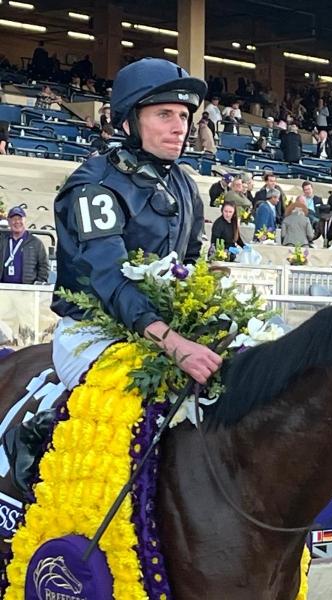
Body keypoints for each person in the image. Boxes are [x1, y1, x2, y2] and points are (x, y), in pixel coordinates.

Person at [50, 58, 221, 393]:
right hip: (91, 335)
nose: (179, 127)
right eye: (164, 114)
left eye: (184, 116)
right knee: (139, 405)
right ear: (128, 123)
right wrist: (173, 342)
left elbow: (189, 263)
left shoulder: (184, 184)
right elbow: (109, 278)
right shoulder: (94, 185)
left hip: (163, 327)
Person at [0, 206, 49, 284]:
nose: (17, 222)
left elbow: (44, 266)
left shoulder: (36, 243)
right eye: (14, 219)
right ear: (8, 221)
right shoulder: (2, 240)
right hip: (3, 288)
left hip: (27, 290)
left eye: (20, 218)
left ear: (25, 220)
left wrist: (38, 283)